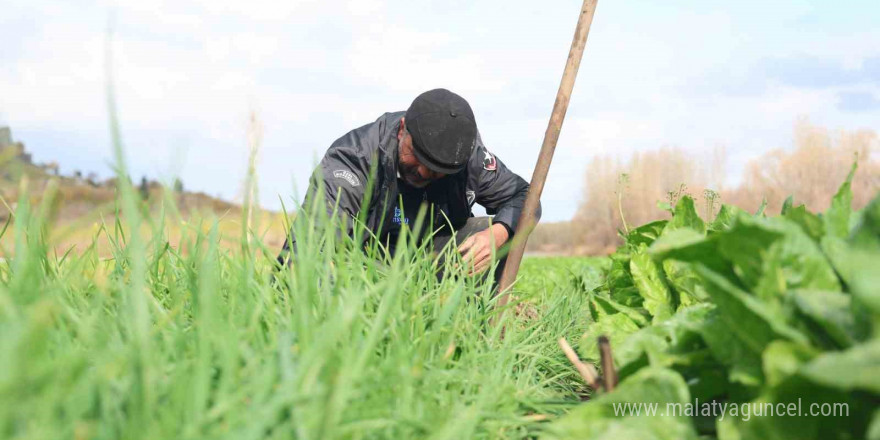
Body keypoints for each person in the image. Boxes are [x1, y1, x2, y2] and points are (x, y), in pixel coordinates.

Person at [278, 88, 540, 283]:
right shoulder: (354, 158)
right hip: (368, 265)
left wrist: (499, 234)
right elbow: (312, 242)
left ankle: (471, 327)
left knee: (491, 230)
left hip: (427, 259)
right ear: (402, 129)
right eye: (418, 155)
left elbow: (525, 197)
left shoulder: (470, 160)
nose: (424, 171)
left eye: (438, 169)